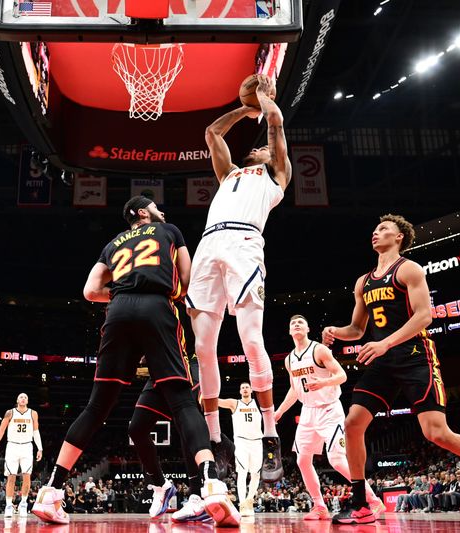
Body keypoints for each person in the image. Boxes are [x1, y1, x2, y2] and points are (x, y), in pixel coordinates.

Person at [32, 196, 238, 527]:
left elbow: (89, 291)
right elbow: (187, 280)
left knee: (96, 408)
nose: (162, 209)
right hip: (158, 307)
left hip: (118, 310)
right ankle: (211, 483)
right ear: (143, 212)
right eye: (157, 205)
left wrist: (120, 295)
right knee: (184, 403)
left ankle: (51, 491)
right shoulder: (169, 230)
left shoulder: (112, 243)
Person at [322, 214, 460, 526]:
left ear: (399, 238)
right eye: (375, 228)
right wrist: (336, 331)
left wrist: (385, 344)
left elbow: (424, 316)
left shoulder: (408, 269)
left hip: (414, 355)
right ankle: (360, 503)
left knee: (436, 433)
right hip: (383, 361)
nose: (375, 232)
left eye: (383, 229)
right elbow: (357, 328)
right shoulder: (363, 282)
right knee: (353, 424)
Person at [187, 74, 291, 482]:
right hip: (209, 246)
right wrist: (245, 109)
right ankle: (215, 439)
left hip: (245, 243)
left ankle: (269, 434)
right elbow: (212, 132)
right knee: (203, 347)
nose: (261, 147)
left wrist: (264, 101)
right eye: (259, 145)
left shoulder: (275, 176)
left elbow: (277, 125)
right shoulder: (229, 174)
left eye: (264, 147)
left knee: (251, 340)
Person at [275, 314, 384, 520]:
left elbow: (342, 375)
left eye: (301, 323)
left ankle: (373, 500)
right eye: (293, 323)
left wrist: (323, 383)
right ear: (290, 332)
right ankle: (319, 506)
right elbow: (294, 390)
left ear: (307, 329)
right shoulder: (290, 359)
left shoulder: (319, 349)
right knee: (302, 460)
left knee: (336, 459)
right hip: (308, 411)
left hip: (329, 409)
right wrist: (280, 411)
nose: (296, 325)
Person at [128, 354, 211, 522]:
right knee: (137, 429)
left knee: (185, 424)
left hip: (185, 363)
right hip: (159, 369)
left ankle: (197, 496)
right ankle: (162, 485)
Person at [0, 392, 43, 518]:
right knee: (11, 477)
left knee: (27, 476)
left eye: (25, 397)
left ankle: (23, 504)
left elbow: (36, 431)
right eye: (21, 397)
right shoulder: (10, 412)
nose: (23, 398)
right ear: (17, 400)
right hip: (12, 446)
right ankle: (9, 505)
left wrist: (40, 448)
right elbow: (1, 430)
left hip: (27, 446)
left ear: (27, 401)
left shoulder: (33, 413)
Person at [217, 382, 263, 517]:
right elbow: (217, 401)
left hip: (257, 442)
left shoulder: (258, 404)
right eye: (242, 387)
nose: (244, 389)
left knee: (256, 474)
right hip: (241, 442)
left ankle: (249, 500)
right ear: (239, 391)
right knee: (242, 472)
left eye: (247, 387)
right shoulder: (234, 403)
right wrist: (203, 394)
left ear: (251, 390)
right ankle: (242, 504)